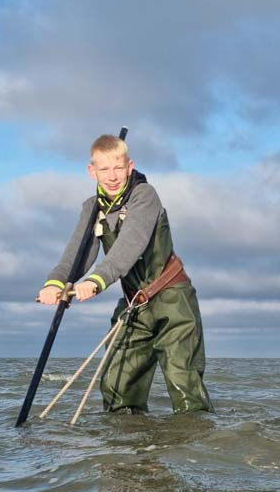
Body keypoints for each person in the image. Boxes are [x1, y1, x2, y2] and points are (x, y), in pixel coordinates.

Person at [37, 134, 214, 414]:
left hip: (173, 300)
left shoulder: (145, 196)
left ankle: (192, 451)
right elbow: (76, 254)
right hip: (135, 306)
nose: (111, 176)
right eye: (104, 169)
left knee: (185, 384)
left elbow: (130, 244)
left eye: (118, 168)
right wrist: (56, 283)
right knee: (117, 386)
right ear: (91, 171)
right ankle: (129, 453)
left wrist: (96, 281)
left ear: (129, 167)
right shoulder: (91, 207)